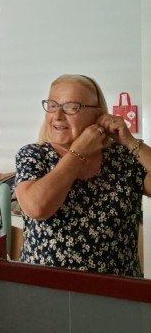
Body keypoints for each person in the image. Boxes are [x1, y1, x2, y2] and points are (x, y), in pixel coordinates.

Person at [14, 74, 151, 276]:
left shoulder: (122, 157)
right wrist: (77, 154)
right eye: (52, 105)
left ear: (97, 114)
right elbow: (37, 208)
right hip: (46, 288)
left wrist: (130, 142)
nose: (57, 115)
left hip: (117, 289)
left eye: (71, 107)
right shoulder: (33, 155)